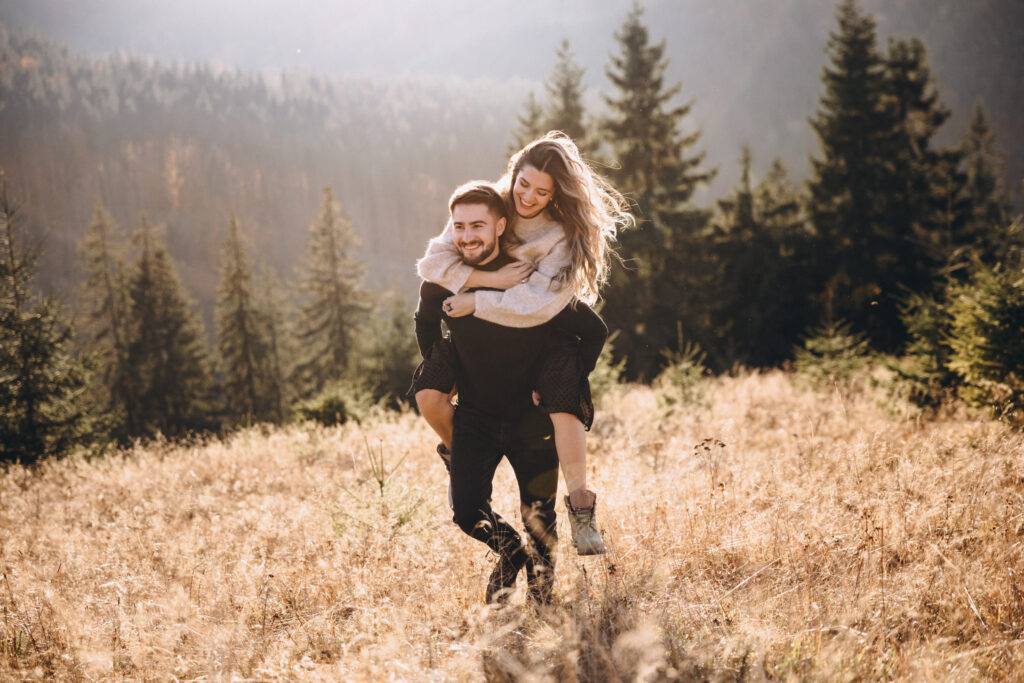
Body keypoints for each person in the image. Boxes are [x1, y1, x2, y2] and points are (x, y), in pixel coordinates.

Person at [414, 132, 632, 555]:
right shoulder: (490, 202)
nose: (527, 196)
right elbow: (434, 262)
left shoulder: (559, 235)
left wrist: (477, 301)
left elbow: (537, 303)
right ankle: (461, 459)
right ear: (513, 174)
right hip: (481, 333)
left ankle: (581, 508)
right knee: (428, 389)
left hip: (544, 327)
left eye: (541, 191)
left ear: (555, 196)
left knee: (563, 397)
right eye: (523, 183)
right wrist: (488, 280)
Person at [413, 181, 601, 603]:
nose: (467, 236)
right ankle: (510, 551)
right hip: (475, 417)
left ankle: (542, 602)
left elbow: (594, 331)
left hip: (531, 421)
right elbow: (425, 321)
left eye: (477, 225)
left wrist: (565, 385)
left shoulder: (530, 279)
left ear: (501, 226)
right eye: (458, 226)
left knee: (539, 517)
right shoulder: (445, 279)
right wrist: (446, 369)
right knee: (466, 513)